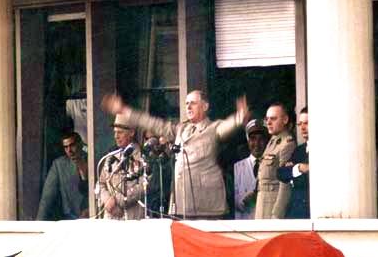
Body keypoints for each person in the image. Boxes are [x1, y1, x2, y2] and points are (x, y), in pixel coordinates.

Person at [102, 90, 248, 220]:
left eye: (193, 103)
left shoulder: (213, 128)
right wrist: (125, 110)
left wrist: (239, 118)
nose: (188, 107)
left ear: (205, 106)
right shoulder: (180, 129)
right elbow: (152, 123)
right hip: (183, 205)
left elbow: (227, 126)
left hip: (207, 205)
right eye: (186, 104)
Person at [96, 114, 145, 220]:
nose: (116, 136)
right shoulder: (110, 156)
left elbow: (144, 185)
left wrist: (118, 201)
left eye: (120, 132)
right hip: (110, 219)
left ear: (131, 132)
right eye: (115, 132)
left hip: (133, 218)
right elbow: (101, 183)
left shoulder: (142, 156)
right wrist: (107, 199)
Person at [36, 131, 90, 220]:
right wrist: (38, 225)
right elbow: (47, 198)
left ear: (80, 144)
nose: (69, 150)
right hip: (70, 219)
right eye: (66, 147)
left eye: (72, 145)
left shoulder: (91, 160)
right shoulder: (59, 165)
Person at [255, 103, 295, 220]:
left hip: (273, 205)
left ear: (285, 120)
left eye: (273, 119)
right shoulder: (273, 141)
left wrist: (277, 213)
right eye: (267, 119)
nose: (268, 122)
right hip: (262, 202)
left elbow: (285, 183)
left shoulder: (287, 144)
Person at [278, 106, 309, 219]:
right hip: (297, 213)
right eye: (300, 124)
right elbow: (281, 173)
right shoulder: (299, 150)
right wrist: (299, 168)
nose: (303, 128)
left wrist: (293, 169)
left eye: (307, 123)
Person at [233, 119, 268, 220]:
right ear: (248, 141)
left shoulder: (272, 166)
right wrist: (243, 201)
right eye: (253, 139)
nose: (257, 143)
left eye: (261, 139)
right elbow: (230, 198)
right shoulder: (237, 168)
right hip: (244, 223)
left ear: (266, 141)